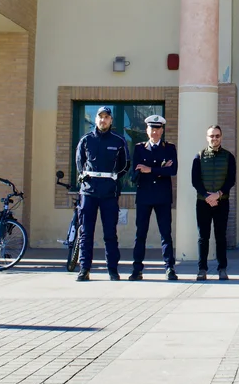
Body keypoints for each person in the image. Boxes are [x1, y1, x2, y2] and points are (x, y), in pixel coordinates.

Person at [74, 106, 130, 282]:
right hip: (89, 193)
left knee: (110, 233)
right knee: (86, 233)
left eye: (106, 117)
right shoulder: (86, 140)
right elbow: (79, 162)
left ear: (111, 120)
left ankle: (112, 270)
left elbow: (125, 165)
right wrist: (85, 179)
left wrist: (114, 180)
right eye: (100, 117)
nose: (103, 120)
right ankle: (84, 269)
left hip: (109, 194)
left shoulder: (118, 141)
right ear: (96, 119)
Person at [129, 115, 178, 281]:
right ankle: (137, 269)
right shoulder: (139, 148)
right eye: (152, 129)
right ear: (147, 130)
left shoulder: (169, 148)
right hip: (144, 195)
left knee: (166, 234)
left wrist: (150, 169)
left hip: (162, 196)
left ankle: (169, 268)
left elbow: (172, 170)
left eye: (158, 129)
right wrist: (160, 169)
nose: (155, 132)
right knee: (140, 234)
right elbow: (135, 171)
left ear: (162, 130)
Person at [192, 124, 235, 281]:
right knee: (203, 237)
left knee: (220, 236)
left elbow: (231, 179)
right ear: (207, 137)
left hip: (222, 202)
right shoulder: (199, 156)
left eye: (217, 136)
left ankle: (222, 268)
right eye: (212, 136)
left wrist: (218, 194)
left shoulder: (229, 157)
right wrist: (207, 196)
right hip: (203, 202)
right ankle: (202, 269)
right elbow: (195, 180)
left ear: (221, 137)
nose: (214, 138)